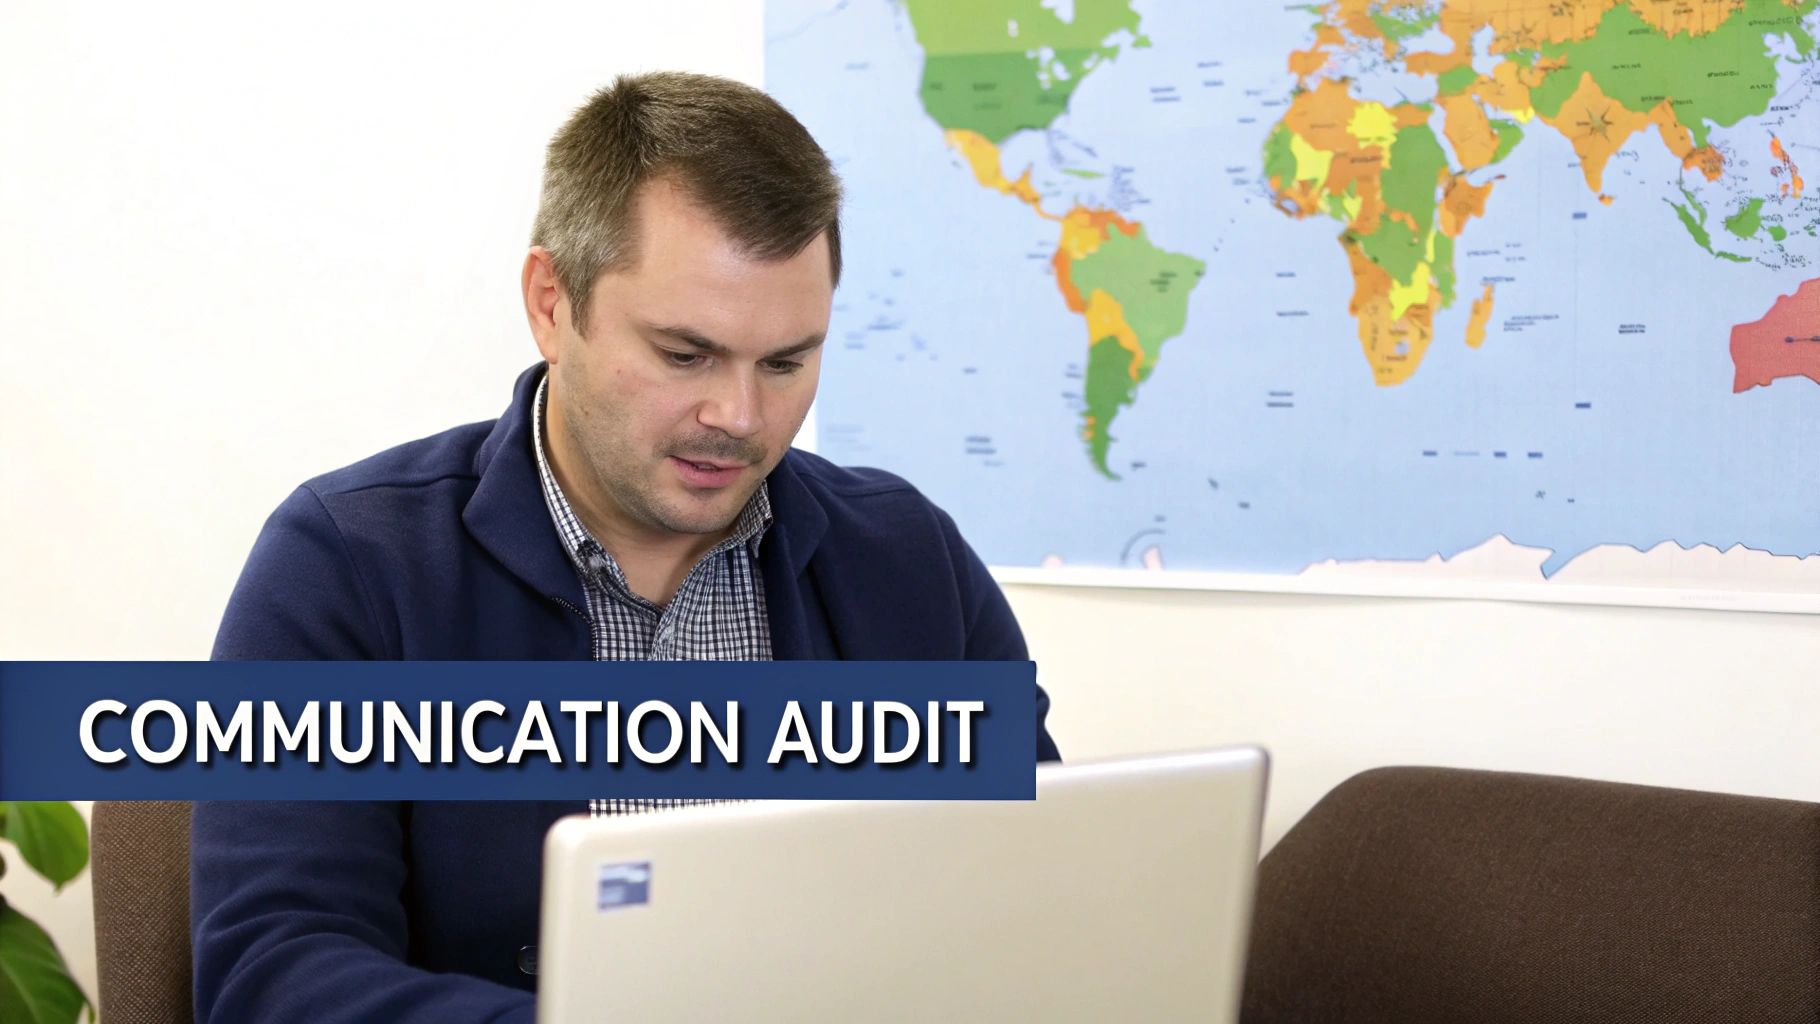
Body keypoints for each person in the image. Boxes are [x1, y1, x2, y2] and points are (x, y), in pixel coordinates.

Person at [190, 72, 1061, 1023]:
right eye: (685, 355)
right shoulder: (346, 567)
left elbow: (1043, 905)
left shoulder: (910, 560)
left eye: (786, 362)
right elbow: (272, 974)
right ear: (551, 303)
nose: (738, 417)